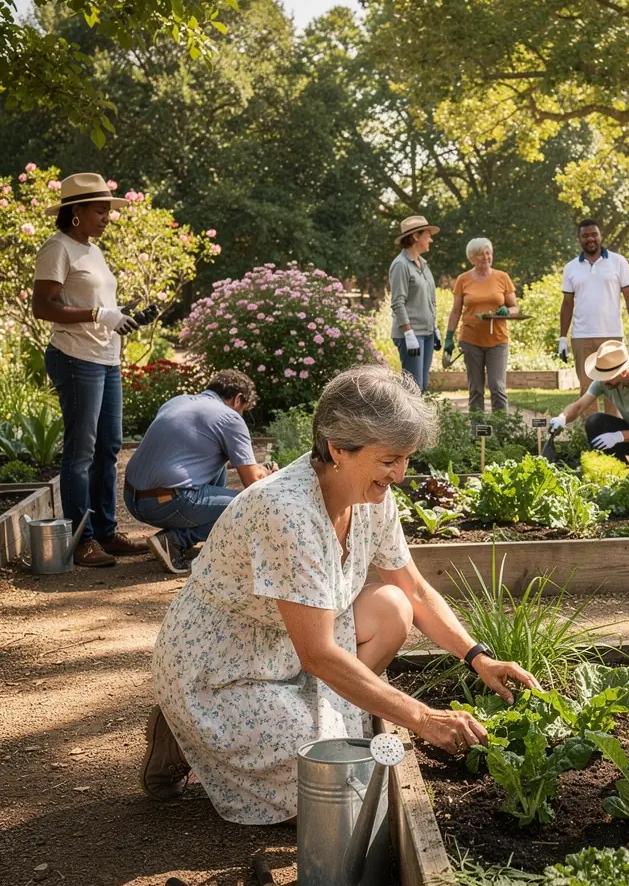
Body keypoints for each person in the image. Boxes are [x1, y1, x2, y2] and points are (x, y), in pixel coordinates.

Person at [141, 364, 537, 823]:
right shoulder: (287, 512)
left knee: (393, 608)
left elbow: (413, 589)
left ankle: (311, 715)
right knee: (325, 793)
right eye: (389, 460)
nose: (400, 474)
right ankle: (183, 729)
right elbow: (318, 654)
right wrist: (423, 719)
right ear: (337, 448)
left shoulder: (371, 497)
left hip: (289, 647)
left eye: (406, 459)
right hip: (225, 667)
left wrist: (478, 657)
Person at [32, 172, 156, 568]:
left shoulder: (93, 250)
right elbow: (43, 306)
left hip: (106, 358)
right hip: (75, 357)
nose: (107, 217)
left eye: (107, 211)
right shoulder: (58, 247)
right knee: (81, 451)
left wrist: (122, 316)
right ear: (76, 211)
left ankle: (105, 532)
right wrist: (98, 314)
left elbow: (99, 308)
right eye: (99, 211)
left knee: (109, 448)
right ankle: (81, 539)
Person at [124, 369, 278, 576]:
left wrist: (256, 467)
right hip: (167, 503)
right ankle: (176, 540)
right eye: (244, 409)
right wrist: (270, 475)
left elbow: (192, 457)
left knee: (219, 464)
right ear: (238, 399)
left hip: (134, 498)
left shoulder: (177, 401)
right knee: (252, 507)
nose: (242, 414)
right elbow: (252, 482)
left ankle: (186, 533)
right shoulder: (230, 418)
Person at [547, 339, 629, 464]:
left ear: (623, 373)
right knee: (594, 421)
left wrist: (618, 436)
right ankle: (621, 470)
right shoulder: (604, 382)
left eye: (608, 376)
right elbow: (579, 406)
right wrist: (562, 418)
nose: (604, 381)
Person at [559, 220, 629, 403]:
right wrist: (562, 338)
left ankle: (613, 423)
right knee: (586, 389)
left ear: (601, 236)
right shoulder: (571, 267)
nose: (590, 239)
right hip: (581, 336)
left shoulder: (618, 262)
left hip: (612, 335)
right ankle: (590, 423)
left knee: (614, 387)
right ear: (579, 239)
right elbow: (567, 304)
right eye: (585, 235)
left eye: (594, 234)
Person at [443, 238, 519, 412]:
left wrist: (507, 311)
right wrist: (449, 337)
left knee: (497, 387)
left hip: (497, 340)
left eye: (488, 253)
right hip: (471, 340)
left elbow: (515, 307)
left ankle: (501, 427)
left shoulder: (502, 277)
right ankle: (477, 428)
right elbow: (456, 310)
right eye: (480, 254)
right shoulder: (463, 280)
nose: (486, 257)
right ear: (471, 258)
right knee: (476, 389)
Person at [389, 214, 441, 392]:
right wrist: (408, 333)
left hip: (427, 333)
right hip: (412, 334)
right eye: (428, 235)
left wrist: (434, 328)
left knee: (422, 386)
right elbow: (397, 302)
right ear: (415, 236)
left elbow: (428, 300)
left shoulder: (423, 264)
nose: (431, 240)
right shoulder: (401, 265)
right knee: (413, 388)